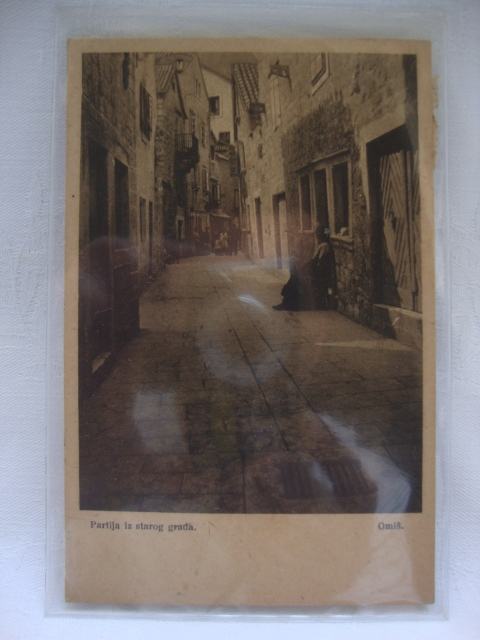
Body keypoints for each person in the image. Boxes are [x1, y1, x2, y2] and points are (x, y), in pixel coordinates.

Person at [273, 226, 335, 311]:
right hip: (316, 271)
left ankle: (288, 304)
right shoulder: (322, 245)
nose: (317, 237)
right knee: (294, 276)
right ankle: (286, 303)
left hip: (319, 274)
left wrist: (306, 268)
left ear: (321, 235)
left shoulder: (324, 246)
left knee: (295, 278)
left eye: (318, 234)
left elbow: (318, 262)